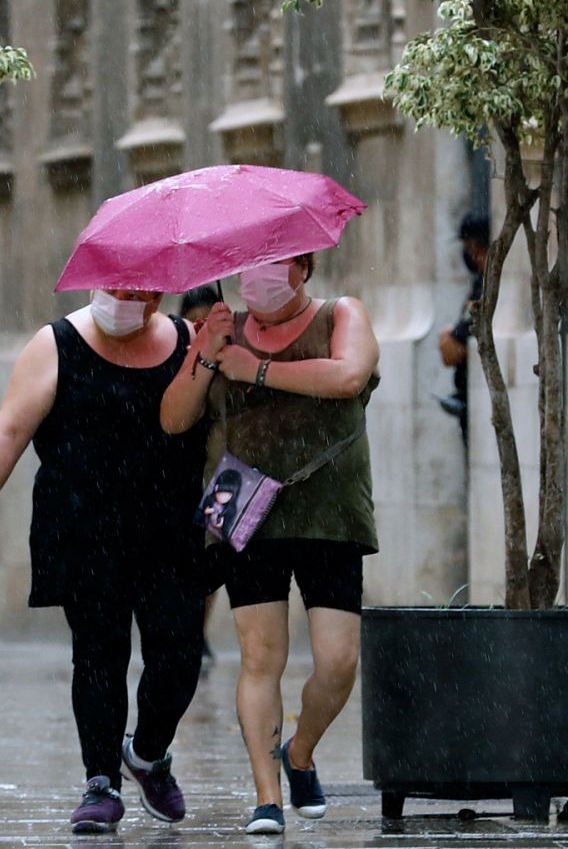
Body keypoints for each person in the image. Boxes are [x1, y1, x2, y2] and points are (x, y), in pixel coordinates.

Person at [0, 288, 211, 835]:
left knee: (178, 654)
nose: (127, 299)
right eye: (117, 288)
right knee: (98, 656)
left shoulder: (187, 340)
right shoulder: (55, 343)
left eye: (139, 290)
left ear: (157, 293)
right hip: (84, 526)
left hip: (170, 529)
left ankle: (149, 753)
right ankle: (100, 781)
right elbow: (10, 430)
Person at [160, 254, 380, 835]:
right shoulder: (222, 332)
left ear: (304, 267)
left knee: (338, 662)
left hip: (331, 514)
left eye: (273, 264)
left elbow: (348, 376)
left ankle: (300, 751)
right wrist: (208, 353)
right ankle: (267, 796)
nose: (257, 278)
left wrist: (254, 370)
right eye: (248, 267)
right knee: (261, 658)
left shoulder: (340, 315)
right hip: (248, 514)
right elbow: (173, 418)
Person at [178, 285, 223, 672]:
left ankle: (199, 631)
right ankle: (188, 631)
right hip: (184, 473)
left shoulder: (232, 350)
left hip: (223, 478)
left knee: (214, 562)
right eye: (195, 318)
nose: (201, 324)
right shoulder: (177, 353)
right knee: (192, 561)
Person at [438, 214, 489, 443]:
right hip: (471, 400)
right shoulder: (480, 285)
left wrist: (447, 336)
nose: (471, 255)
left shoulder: (485, 290)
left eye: (472, 247)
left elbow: (452, 350)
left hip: (480, 403)